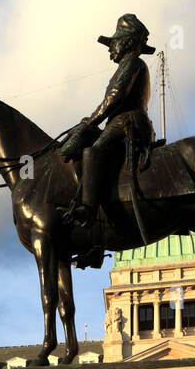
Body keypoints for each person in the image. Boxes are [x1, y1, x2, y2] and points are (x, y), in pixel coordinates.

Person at [59, 14, 157, 229]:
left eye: (114, 42)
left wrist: (91, 122)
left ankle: (87, 210)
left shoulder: (132, 62)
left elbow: (115, 96)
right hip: (123, 122)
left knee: (93, 151)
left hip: (126, 122)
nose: (110, 48)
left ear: (128, 42)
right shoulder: (129, 64)